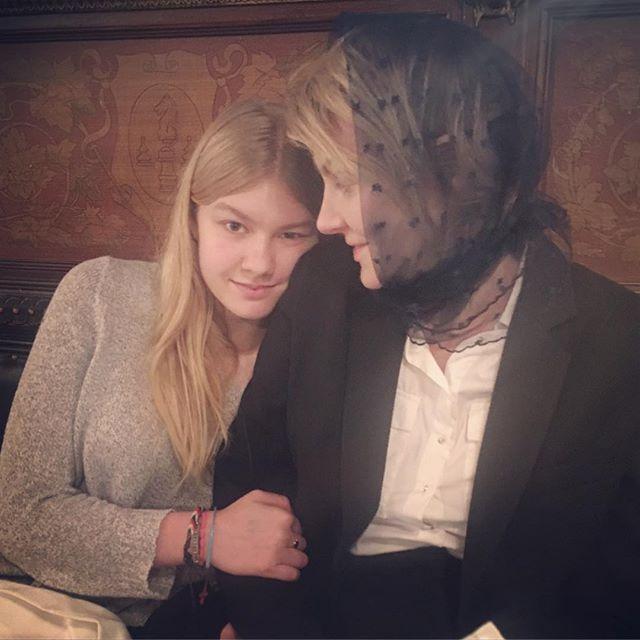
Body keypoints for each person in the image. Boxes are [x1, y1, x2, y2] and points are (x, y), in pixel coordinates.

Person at [213, 15, 640, 639]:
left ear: (453, 172)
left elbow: (619, 574)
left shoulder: (615, 338)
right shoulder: (325, 289)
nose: (325, 219)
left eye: (347, 182)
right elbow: (250, 482)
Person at [0, 99, 322, 638]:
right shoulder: (99, 294)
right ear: (194, 219)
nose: (260, 263)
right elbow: (18, 514)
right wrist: (203, 536)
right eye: (234, 225)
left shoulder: (325, 354)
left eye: (292, 235)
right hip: (49, 613)